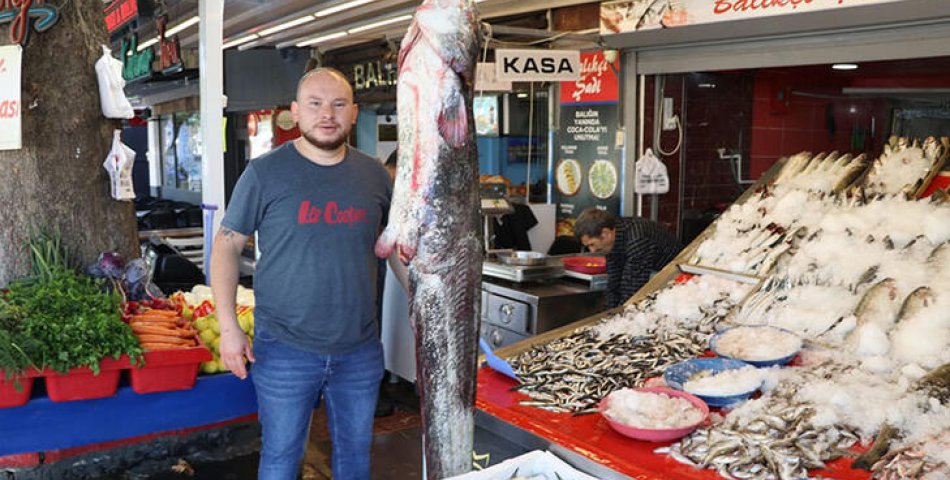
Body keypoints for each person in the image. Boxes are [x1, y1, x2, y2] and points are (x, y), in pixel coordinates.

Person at [210, 67, 395, 480]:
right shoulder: (264, 173)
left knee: (355, 459)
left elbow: (393, 245)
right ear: (295, 112)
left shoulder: (374, 176)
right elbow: (226, 245)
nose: (326, 114)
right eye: (315, 104)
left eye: (338, 104)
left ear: (354, 113)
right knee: (280, 459)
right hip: (284, 348)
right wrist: (228, 328)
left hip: (360, 347)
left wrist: (424, 309)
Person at [574, 207, 681, 309]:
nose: (592, 251)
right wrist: (609, 312)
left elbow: (632, 292)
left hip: (674, 279)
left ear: (605, 233)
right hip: (645, 275)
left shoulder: (637, 241)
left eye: (592, 244)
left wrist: (616, 318)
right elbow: (613, 282)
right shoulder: (613, 237)